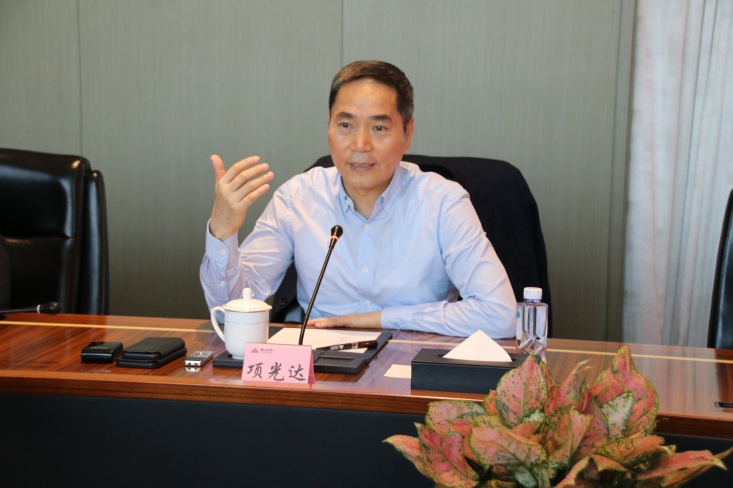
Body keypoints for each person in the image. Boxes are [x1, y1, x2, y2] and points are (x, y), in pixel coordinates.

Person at [200, 60, 516, 337]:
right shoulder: (297, 198)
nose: (360, 144)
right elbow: (228, 312)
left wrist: (381, 319)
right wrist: (222, 232)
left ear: (407, 133)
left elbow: (499, 316)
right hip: (321, 367)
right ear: (329, 124)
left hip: (414, 364)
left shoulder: (443, 202)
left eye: (379, 127)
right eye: (346, 125)